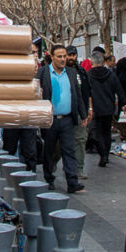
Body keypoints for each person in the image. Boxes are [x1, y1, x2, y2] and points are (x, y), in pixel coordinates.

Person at [36, 44, 89, 193]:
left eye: (64, 56)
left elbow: (77, 95)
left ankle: (72, 182)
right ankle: (49, 178)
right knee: (49, 150)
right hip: (50, 119)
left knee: (69, 150)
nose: (63, 59)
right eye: (59, 56)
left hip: (67, 119)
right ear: (52, 57)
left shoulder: (71, 73)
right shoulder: (43, 73)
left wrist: (83, 115)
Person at [86, 51, 126, 167]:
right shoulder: (110, 75)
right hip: (108, 107)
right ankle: (105, 154)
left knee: (95, 132)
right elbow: (119, 89)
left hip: (95, 109)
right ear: (103, 62)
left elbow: (85, 92)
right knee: (106, 133)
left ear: (92, 62)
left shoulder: (88, 75)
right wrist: (124, 103)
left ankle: (103, 154)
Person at [66, 46, 92, 178]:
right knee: (61, 141)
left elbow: (87, 92)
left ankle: (79, 168)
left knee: (80, 140)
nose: (71, 58)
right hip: (64, 111)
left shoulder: (81, 72)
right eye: (68, 55)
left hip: (80, 111)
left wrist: (89, 109)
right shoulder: (61, 71)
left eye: (73, 55)